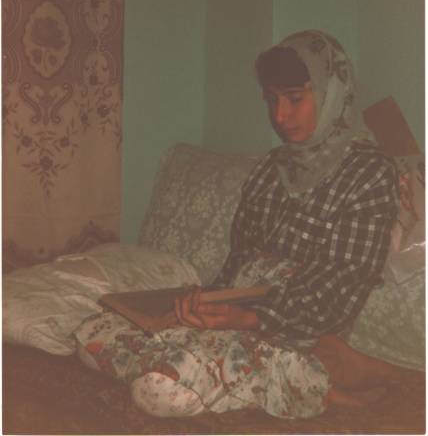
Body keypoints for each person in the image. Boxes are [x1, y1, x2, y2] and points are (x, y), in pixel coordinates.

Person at [75, 30, 405, 418]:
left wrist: (251, 319)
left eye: (294, 99)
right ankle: (300, 379)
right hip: (240, 323)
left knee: (158, 389)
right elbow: (238, 264)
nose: (280, 116)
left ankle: (319, 371)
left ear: (331, 93)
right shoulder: (270, 169)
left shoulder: (368, 173)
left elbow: (339, 285)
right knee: (93, 334)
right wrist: (203, 306)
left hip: (301, 326)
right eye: (272, 100)